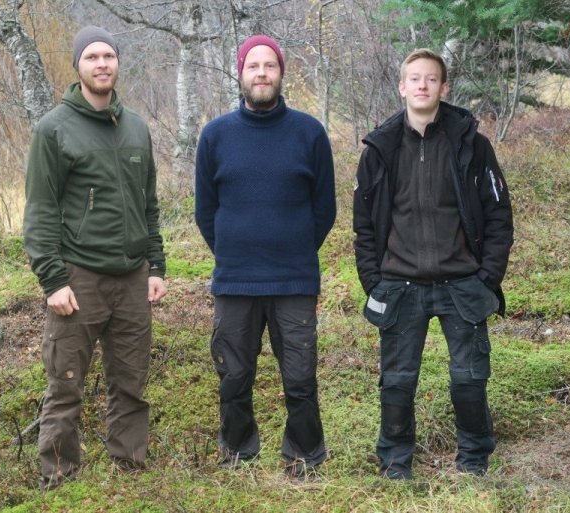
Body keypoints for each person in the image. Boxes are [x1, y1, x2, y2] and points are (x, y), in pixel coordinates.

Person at [353, 48, 513, 480]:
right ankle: (395, 462)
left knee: (469, 378)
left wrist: (486, 278)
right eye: (414, 78)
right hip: (400, 285)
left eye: (431, 79)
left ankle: (474, 460)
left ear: (444, 88)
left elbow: (499, 216)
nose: (422, 85)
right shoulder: (379, 149)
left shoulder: (471, 146)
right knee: (398, 383)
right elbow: (363, 225)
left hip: (462, 283)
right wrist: (374, 281)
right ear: (402, 87)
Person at [23, 25, 167, 491]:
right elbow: (41, 210)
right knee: (66, 384)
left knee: (131, 383)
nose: (102, 63)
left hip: (131, 279)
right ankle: (59, 478)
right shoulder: (53, 129)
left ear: (118, 63)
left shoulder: (137, 127)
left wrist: (156, 266)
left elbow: (149, 204)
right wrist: (52, 280)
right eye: (92, 57)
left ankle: (129, 470)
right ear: (78, 66)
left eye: (109, 55)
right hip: (78, 278)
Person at [194, 35, 336, 479]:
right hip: (235, 281)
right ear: (240, 73)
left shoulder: (309, 132)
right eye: (253, 65)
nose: (261, 73)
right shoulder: (215, 135)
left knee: (300, 377)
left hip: (294, 279)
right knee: (234, 377)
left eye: (269, 65)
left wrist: (290, 248)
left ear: (281, 73)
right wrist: (237, 250)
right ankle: (238, 451)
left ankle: (304, 455)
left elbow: (324, 209)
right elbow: (204, 211)